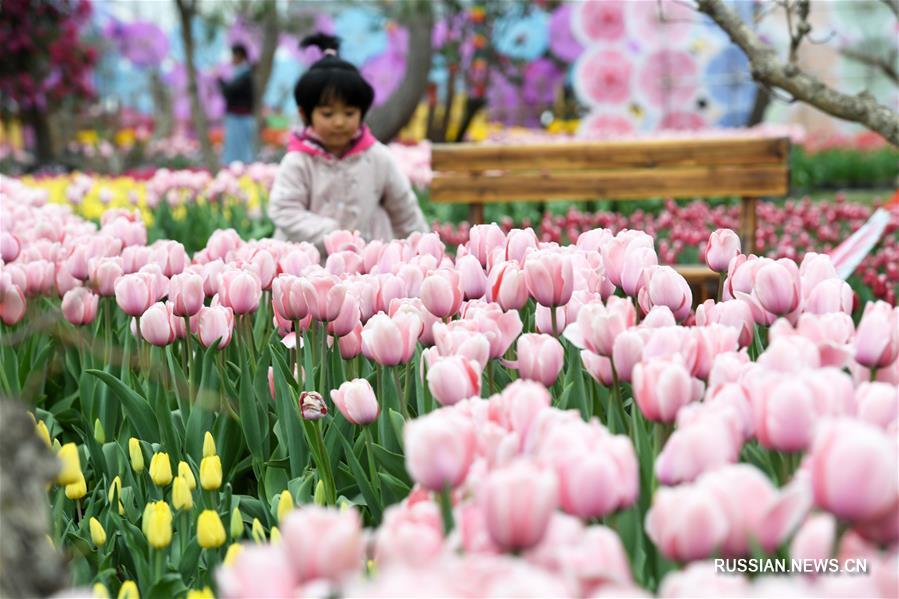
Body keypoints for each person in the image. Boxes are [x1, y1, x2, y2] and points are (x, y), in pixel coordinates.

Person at [268, 33, 428, 250]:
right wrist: (334, 235)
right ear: (305, 113)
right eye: (327, 114)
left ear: (362, 112)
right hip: (307, 266)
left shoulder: (377, 157)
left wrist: (423, 250)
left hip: (368, 264)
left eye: (350, 113)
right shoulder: (299, 161)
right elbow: (284, 209)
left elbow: (404, 210)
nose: (339, 122)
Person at [217, 43, 256, 165]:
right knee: (236, 150)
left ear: (240, 56)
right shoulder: (241, 74)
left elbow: (230, 91)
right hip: (236, 117)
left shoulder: (245, 75)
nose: (232, 59)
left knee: (240, 151)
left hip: (240, 117)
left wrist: (220, 81)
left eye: (233, 56)